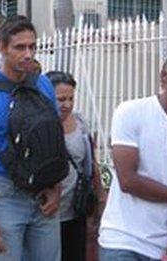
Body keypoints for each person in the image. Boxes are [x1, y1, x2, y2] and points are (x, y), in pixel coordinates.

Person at [0, 16, 63, 261]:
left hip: (44, 195)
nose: (28, 54)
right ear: (2, 47)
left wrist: (56, 188)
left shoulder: (44, 85)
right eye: (19, 47)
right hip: (3, 194)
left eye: (32, 47)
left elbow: (55, 141)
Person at [98, 48, 167, 260]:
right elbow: (128, 181)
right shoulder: (131, 112)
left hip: (161, 247)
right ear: (164, 76)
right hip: (121, 240)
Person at [46, 71, 106, 261]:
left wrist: (100, 194)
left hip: (76, 207)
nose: (67, 104)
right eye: (61, 99)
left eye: (71, 98)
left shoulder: (80, 122)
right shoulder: (40, 125)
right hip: (48, 211)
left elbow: (90, 162)